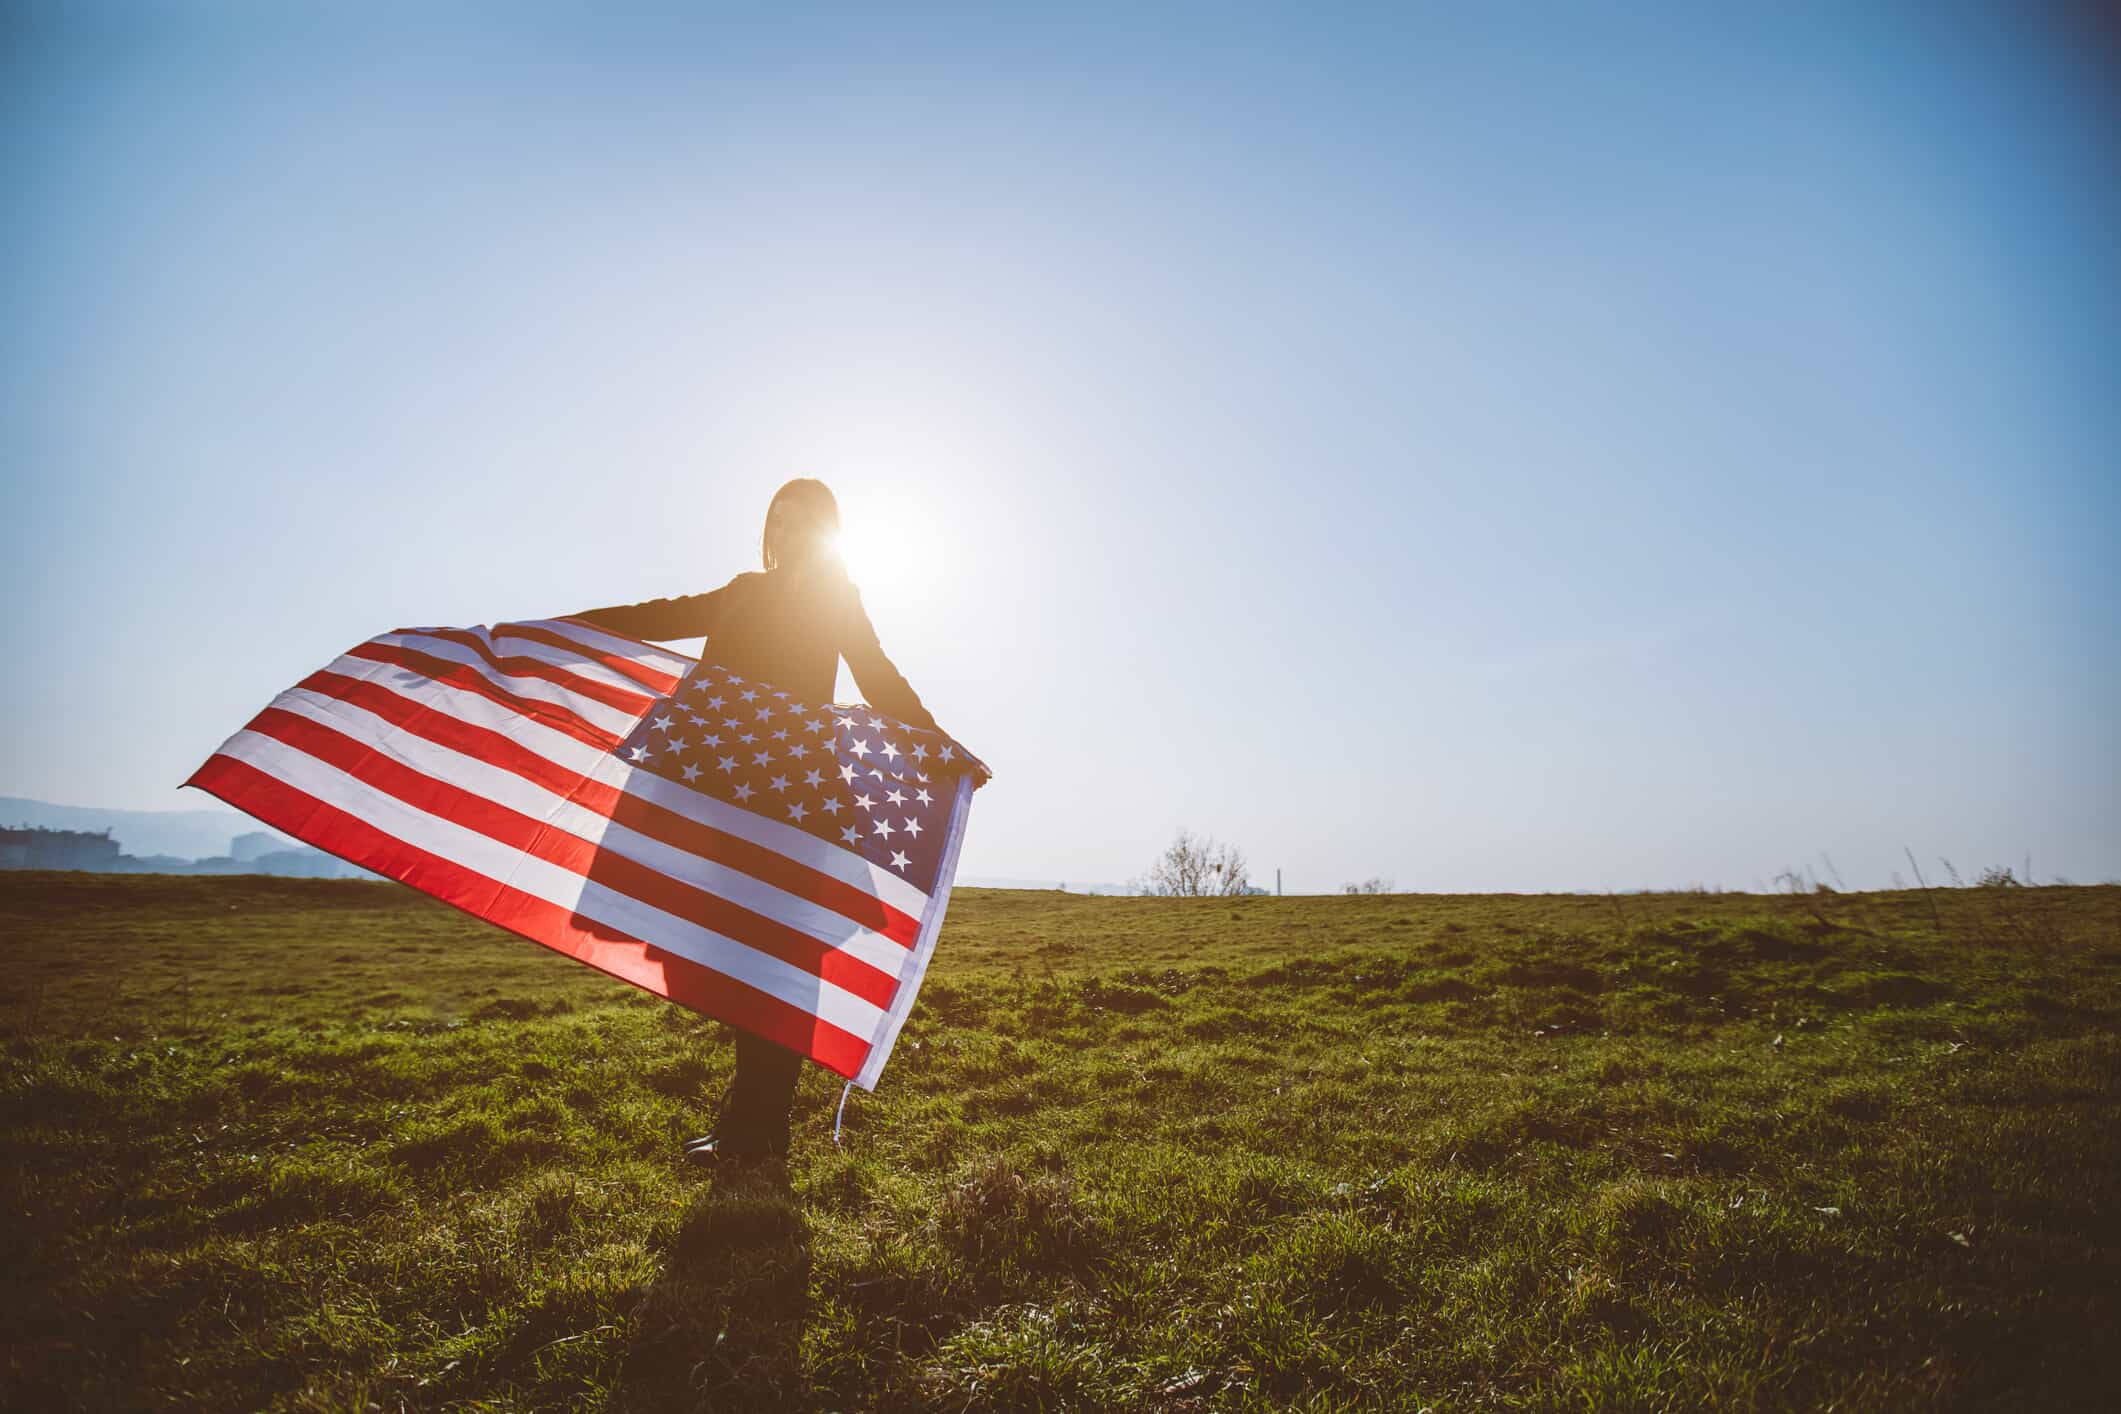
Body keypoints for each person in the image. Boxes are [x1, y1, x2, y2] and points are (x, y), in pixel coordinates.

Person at [574, 478, 950, 1169]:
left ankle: (757, 1130)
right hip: (717, 799)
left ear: (823, 532)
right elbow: (653, 616)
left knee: (779, 959)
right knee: (734, 961)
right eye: (778, 519)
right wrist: (560, 628)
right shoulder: (744, 589)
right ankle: (752, 1123)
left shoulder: (836, 598)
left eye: (803, 521)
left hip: (794, 800)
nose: (787, 532)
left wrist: (935, 744)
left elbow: (878, 678)